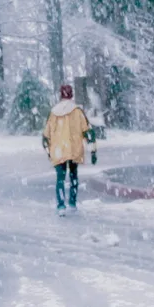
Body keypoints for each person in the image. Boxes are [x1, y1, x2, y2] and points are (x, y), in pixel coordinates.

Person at [42, 84, 95, 213]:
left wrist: (49, 152)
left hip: (58, 151)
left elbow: (46, 136)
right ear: (71, 95)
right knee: (73, 176)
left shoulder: (53, 112)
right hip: (73, 149)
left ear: (61, 95)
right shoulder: (77, 111)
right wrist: (93, 150)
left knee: (60, 178)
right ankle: (72, 202)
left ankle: (61, 205)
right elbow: (88, 132)